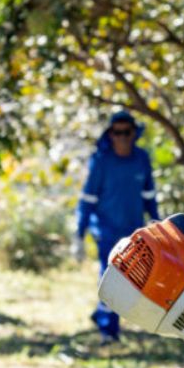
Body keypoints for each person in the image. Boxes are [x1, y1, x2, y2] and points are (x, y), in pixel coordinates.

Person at [74, 109, 159, 343]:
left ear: (134, 134)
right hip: (106, 231)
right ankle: (108, 331)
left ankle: (101, 315)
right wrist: (79, 235)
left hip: (133, 232)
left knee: (129, 281)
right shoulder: (101, 161)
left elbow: (149, 195)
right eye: (116, 132)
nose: (121, 137)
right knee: (110, 276)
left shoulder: (141, 159)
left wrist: (157, 225)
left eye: (126, 132)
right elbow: (88, 199)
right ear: (110, 134)